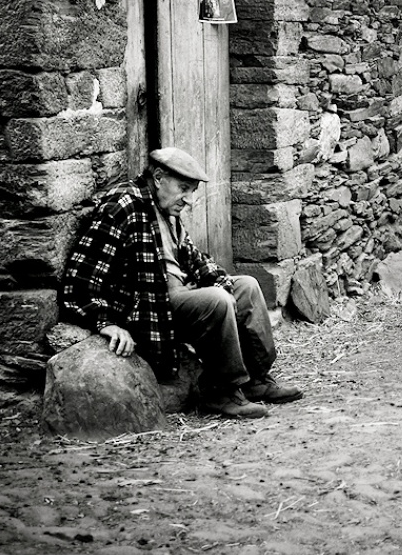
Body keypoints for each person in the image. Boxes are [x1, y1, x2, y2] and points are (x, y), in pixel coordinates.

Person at [60, 147, 303, 418]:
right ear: (159, 177)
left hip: (179, 297)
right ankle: (221, 392)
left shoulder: (167, 211)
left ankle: (255, 380)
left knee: (246, 286)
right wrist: (106, 322)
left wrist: (221, 281)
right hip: (150, 310)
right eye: (183, 189)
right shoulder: (122, 206)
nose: (189, 200)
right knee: (217, 301)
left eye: (192, 191)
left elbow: (195, 259)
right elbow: (78, 280)